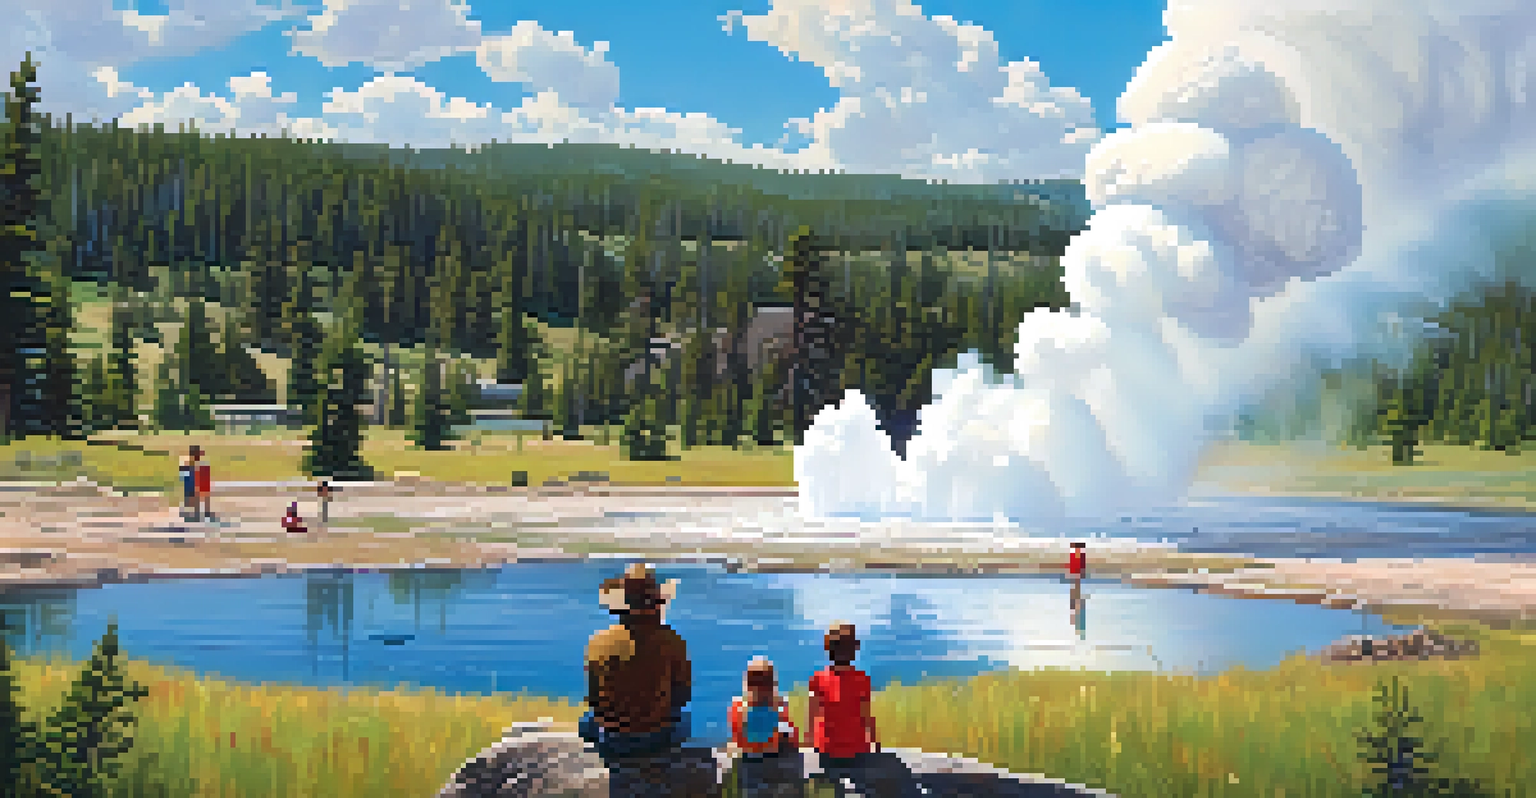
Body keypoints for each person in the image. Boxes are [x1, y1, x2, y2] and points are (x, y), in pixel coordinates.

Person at [579, 564, 691, 763]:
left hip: (613, 740)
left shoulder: (599, 641)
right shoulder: (672, 641)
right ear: (657, 605)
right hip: (657, 738)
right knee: (686, 720)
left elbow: (594, 699)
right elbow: (682, 696)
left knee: (586, 722)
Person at [808, 622, 878, 761]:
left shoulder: (818, 679)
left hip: (827, 750)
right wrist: (875, 740)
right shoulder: (862, 680)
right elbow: (867, 717)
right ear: (855, 649)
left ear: (828, 649)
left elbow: (812, 715)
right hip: (856, 750)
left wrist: (810, 742)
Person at [178, 451, 197, 521]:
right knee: (189, 497)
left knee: (191, 497)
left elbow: (182, 476)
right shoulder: (187, 464)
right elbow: (182, 475)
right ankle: (188, 512)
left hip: (191, 483)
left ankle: (191, 512)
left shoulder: (191, 465)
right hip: (189, 483)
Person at [195, 453, 213, 521]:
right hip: (203, 480)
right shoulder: (204, 464)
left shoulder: (200, 465)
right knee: (204, 497)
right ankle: (205, 513)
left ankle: (201, 513)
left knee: (201, 497)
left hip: (202, 480)